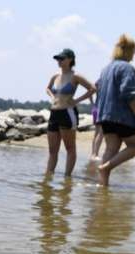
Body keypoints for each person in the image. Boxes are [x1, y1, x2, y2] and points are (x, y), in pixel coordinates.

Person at [95, 35, 135, 186]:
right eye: (134, 52)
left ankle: (102, 187)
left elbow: (98, 87)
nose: (133, 55)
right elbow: (128, 93)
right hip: (123, 116)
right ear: (129, 51)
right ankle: (106, 168)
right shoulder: (127, 68)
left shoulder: (106, 69)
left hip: (105, 115)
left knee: (111, 149)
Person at [44, 48, 96, 177]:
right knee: (52, 150)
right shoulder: (55, 76)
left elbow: (93, 88)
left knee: (70, 148)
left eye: (62, 58)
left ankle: (67, 178)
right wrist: (52, 97)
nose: (59, 61)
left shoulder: (75, 76)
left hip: (68, 113)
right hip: (54, 113)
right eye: (58, 59)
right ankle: (48, 177)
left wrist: (77, 100)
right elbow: (47, 88)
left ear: (70, 60)